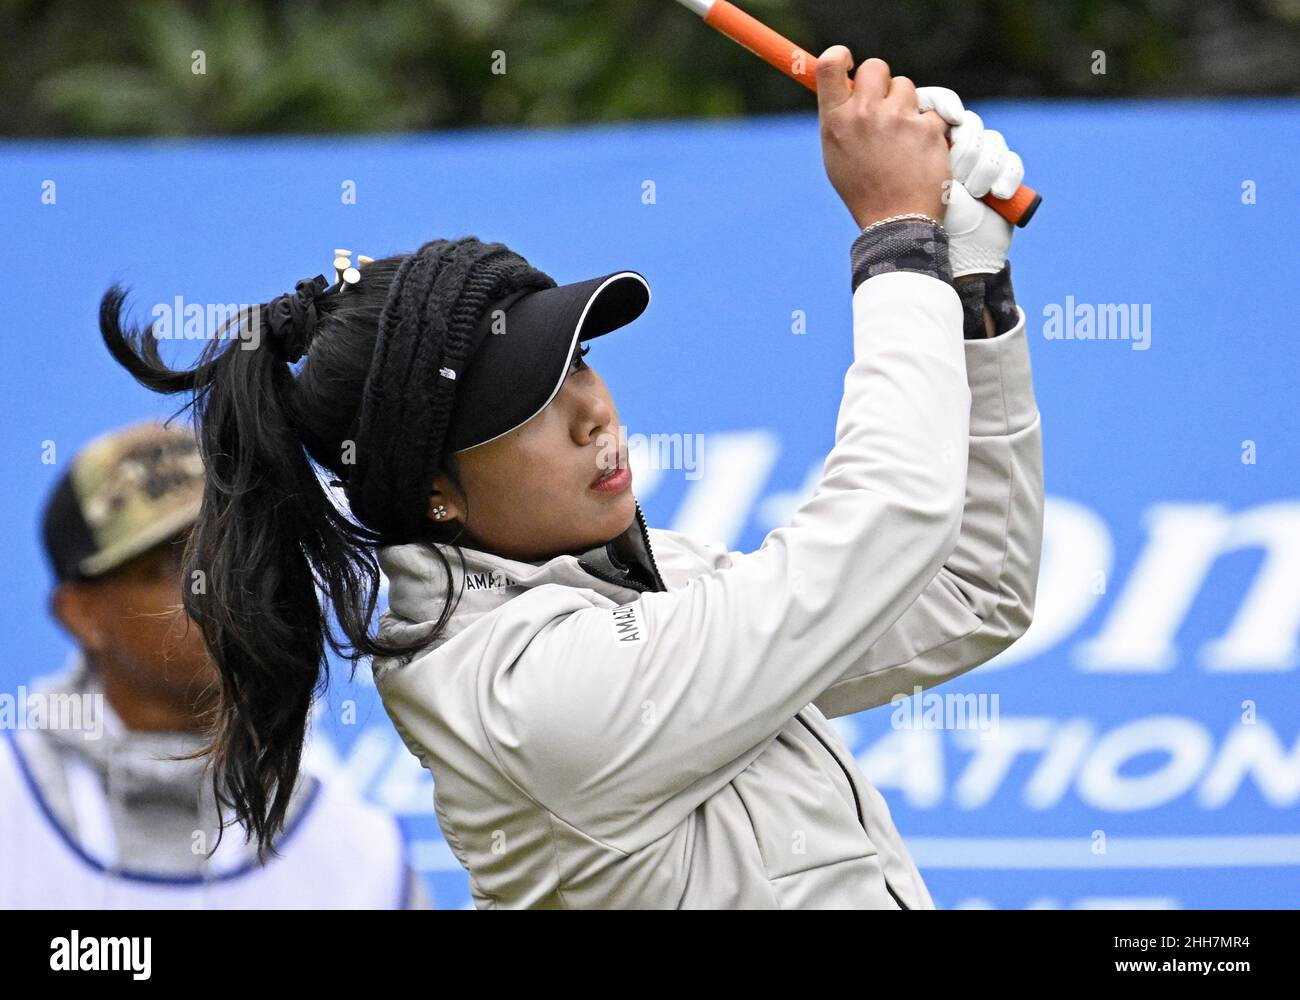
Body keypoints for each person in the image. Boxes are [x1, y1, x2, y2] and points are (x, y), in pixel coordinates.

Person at [97, 47, 1043, 908]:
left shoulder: (642, 578)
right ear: (437, 494)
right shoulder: (529, 694)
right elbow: (888, 522)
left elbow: (970, 591)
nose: (593, 409)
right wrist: (895, 237)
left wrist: (971, 287)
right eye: (527, 402)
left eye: (579, 358)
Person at [1, 420, 427, 908]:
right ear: (81, 614)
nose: (215, 586)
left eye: (228, 550)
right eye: (163, 565)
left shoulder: (365, 855)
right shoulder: (10, 813)